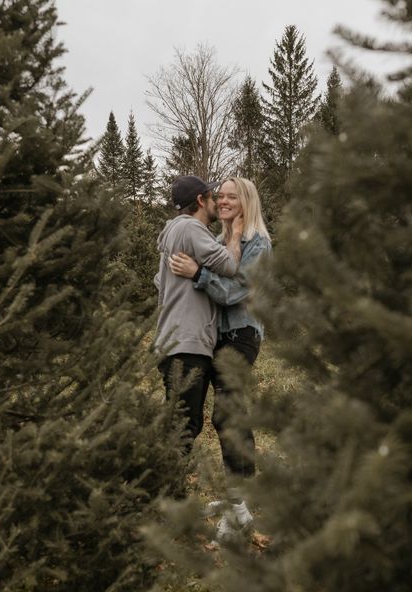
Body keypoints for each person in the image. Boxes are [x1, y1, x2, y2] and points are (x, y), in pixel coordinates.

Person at [168, 177, 271, 544]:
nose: (224, 201)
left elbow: (234, 291)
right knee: (216, 415)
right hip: (213, 339)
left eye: (232, 197)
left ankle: (239, 505)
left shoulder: (258, 242)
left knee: (228, 413)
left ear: (246, 202)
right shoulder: (214, 240)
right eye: (221, 196)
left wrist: (198, 274)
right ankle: (234, 503)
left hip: (241, 335)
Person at [154, 175, 244, 455]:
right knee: (183, 429)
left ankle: (168, 491)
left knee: (182, 424)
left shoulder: (173, 231)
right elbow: (229, 266)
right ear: (199, 201)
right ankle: (168, 493)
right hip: (187, 342)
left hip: (175, 340)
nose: (218, 201)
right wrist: (236, 233)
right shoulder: (192, 229)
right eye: (212, 195)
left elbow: (159, 281)